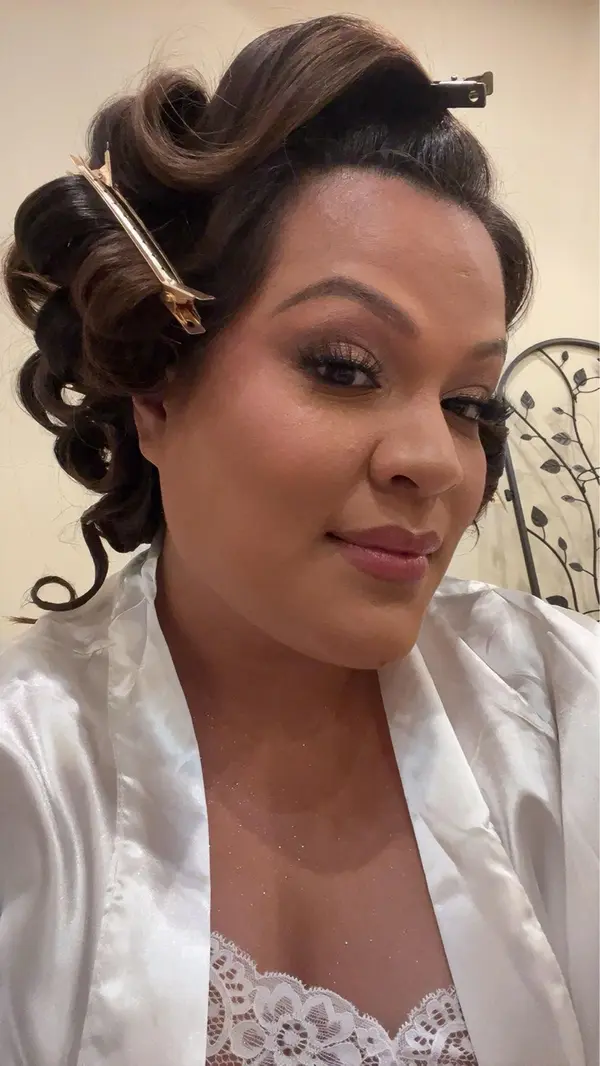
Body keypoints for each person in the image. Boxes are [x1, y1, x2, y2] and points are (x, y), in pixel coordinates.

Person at [0, 14, 597, 1066]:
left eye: (469, 402)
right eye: (344, 366)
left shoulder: (565, 711)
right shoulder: (29, 791)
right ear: (154, 389)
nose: (437, 461)